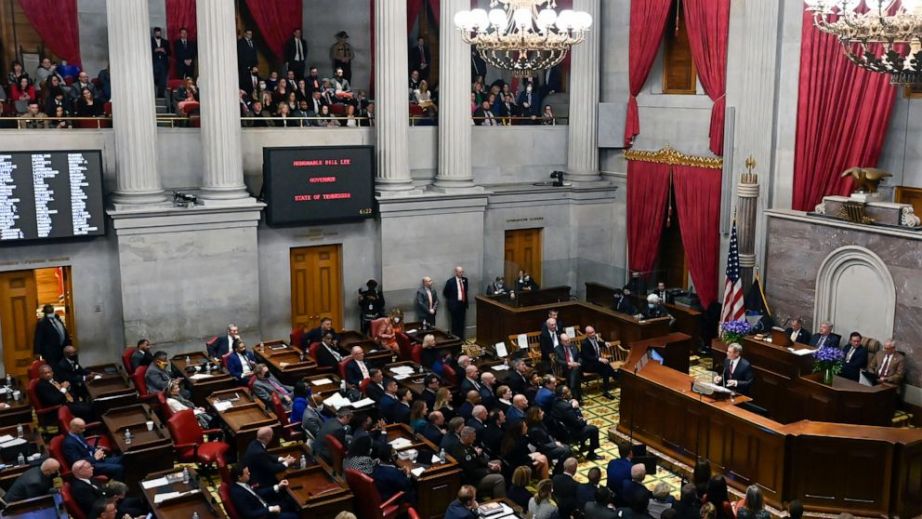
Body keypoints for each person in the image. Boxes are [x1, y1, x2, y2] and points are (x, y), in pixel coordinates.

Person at [450, 426, 506, 498]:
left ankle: (494, 492)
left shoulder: (467, 445)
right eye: (473, 437)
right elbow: (472, 472)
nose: (475, 438)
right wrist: (490, 470)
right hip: (473, 480)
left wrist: (489, 464)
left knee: (498, 462)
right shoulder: (463, 454)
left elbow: (477, 459)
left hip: (479, 470)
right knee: (499, 479)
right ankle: (501, 500)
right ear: (467, 437)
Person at [228, 464, 297, 519]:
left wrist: (278, 486)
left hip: (264, 506)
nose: (249, 473)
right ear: (239, 477)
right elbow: (249, 514)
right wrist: (270, 509)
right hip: (263, 515)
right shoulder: (237, 493)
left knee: (290, 503)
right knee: (295, 516)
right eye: (246, 473)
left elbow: (257, 493)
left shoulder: (242, 483)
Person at [551, 386, 602, 460]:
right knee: (593, 429)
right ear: (563, 395)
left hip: (560, 431)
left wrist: (570, 403)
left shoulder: (555, 402)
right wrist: (582, 417)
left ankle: (583, 446)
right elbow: (579, 424)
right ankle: (591, 454)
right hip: (571, 433)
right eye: (568, 391)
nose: (570, 392)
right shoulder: (567, 408)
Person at [582, 326, 617, 399]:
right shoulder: (585, 343)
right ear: (587, 334)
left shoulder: (594, 338)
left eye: (593, 332)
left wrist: (604, 343)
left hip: (597, 364)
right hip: (588, 365)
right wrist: (599, 359)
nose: (593, 334)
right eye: (590, 333)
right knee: (605, 365)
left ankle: (606, 391)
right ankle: (616, 376)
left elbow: (598, 343)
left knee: (605, 369)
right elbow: (587, 357)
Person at [443, 266, 470, 339]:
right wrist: (452, 300)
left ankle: (462, 338)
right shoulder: (450, 281)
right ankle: (455, 339)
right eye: (460, 272)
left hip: (462, 305)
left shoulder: (465, 280)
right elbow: (445, 293)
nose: (461, 273)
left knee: (462, 322)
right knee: (455, 323)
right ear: (456, 272)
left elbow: (466, 291)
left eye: (462, 272)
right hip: (454, 306)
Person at [554, 334, 582, 401]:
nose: (568, 342)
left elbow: (580, 357)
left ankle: (574, 395)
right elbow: (558, 360)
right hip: (565, 369)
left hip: (576, 367)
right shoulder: (557, 349)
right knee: (575, 374)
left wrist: (577, 363)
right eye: (565, 341)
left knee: (575, 370)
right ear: (561, 342)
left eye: (568, 340)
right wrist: (568, 363)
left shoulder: (574, 346)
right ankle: (577, 397)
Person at [151, 27, 170, 98]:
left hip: (163, 63)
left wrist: (164, 51)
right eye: (156, 33)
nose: (158, 34)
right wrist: (155, 50)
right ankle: (154, 94)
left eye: (159, 32)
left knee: (163, 80)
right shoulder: (150, 41)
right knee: (155, 79)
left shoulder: (165, 41)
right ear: (154, 33)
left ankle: (160, 95)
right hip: (154, 63)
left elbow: (169, 52)